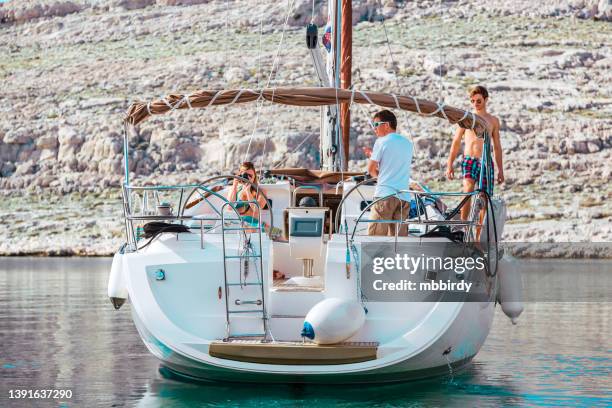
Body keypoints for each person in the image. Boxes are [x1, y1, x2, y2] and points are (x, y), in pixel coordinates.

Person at [445, 85, 504, 223]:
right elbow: (456, 142)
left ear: (486, 100)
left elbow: (497, 147)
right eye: (473, 101)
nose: (475, 104)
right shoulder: (466, 118)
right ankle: (463, 225)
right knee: (468, 189)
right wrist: (449, 164)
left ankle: (478, 236)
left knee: (484, 197)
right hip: (469, 160)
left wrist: (500, 170)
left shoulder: (493, 121)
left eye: (478, 101)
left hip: (486, 161)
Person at [363, 110, 414, 236]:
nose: (374, 129)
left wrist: (380, 180)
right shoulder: (408, 143)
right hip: (404, 198)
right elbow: (394, 167)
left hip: (385, 196)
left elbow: (370, 169)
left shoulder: (381, 141)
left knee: (374, 240)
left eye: (376, 125)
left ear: (386, 125)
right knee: (398, 243)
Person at [227, 161, 268, 230]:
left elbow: (257, 210)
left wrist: (248, 191)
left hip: (254, 224)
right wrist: (234, 186)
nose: (248, 178)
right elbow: (229, 207)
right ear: (240, 175)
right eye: (245, 175)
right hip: (237, 224)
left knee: (278, 233)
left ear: (254, 177)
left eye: (250, 176)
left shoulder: (260, 191)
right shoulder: (235, 189)